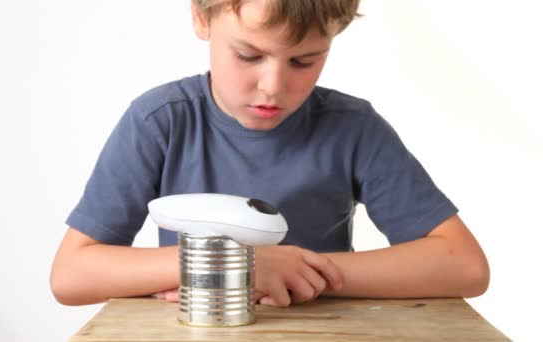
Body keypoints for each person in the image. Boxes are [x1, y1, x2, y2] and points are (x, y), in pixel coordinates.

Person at [50, 0, 489, 307]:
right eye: (248, 54)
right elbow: (71, 276)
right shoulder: (160, 121)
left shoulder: (353, 127)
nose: (273, 86)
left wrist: (291, 274)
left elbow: (465, 267)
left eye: (304, 61)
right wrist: (239, 266)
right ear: (201, 18)